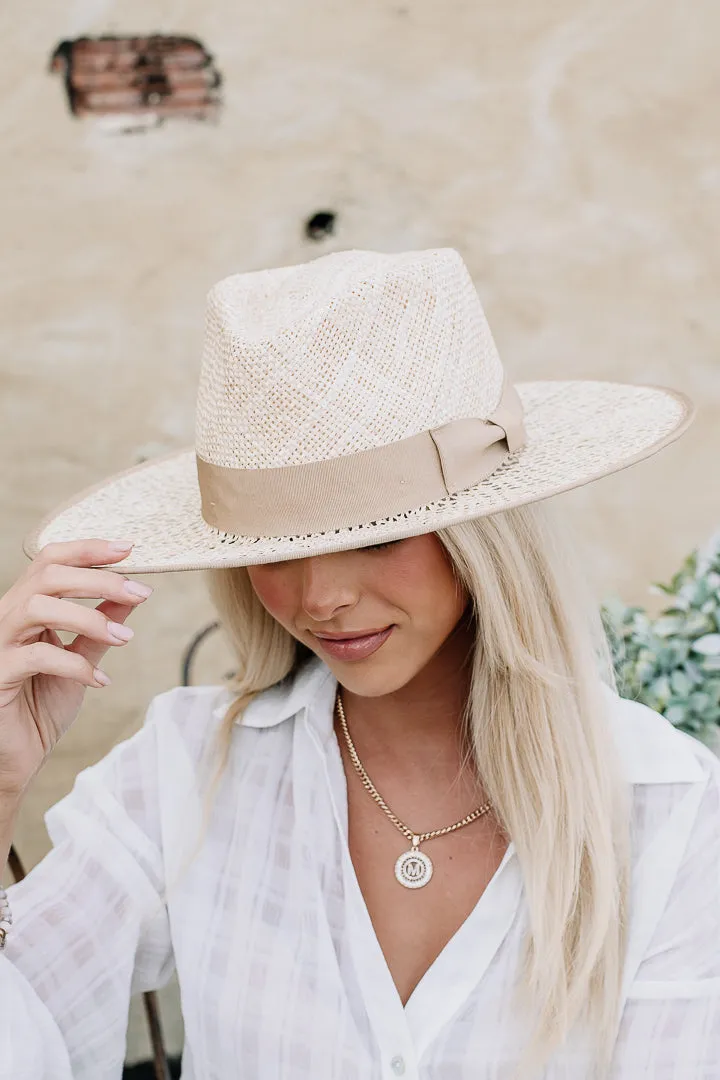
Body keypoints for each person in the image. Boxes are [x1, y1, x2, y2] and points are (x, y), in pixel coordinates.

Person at [0, 247, 718, 1080]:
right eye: (276, 547)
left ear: (485, 539)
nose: (319, 598)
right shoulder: (186, 765)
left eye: (376, 534)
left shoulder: (671, 815)